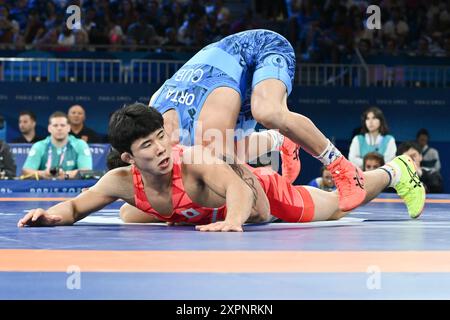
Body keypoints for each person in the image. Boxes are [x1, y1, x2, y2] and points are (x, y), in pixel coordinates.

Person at [18, 104, 425, 232]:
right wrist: (49, 216)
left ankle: (396, 171)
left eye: (162, 136)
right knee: (128, 212)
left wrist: (233, 220)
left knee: (340, 204)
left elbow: (240, 192)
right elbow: (74, 207)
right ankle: (276, 146)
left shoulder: (191, 158)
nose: (161, 148)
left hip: (259, 191)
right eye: (148, 145)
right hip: (205, 203)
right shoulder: (119, 180)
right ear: (128, 158)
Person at [148, 29, 366, 212]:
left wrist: (253, 204)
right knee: (214, 154)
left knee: (267, 112)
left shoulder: (210, 114)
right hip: (229, 78)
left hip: (261, 47)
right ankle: (280, 140)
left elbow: (232, 174)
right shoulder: (154, 114)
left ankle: (343, 168)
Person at [21, 111, 93, 180]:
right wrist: (44, 174)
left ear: (69, 128)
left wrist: (65, 175)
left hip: (73, 189)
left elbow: (86, 171)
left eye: (62, 125)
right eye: (55, 125)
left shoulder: (80, 144)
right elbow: (26, 171)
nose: (59, 128)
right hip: (44, 189)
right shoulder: (39, 145)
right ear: (49, 128)